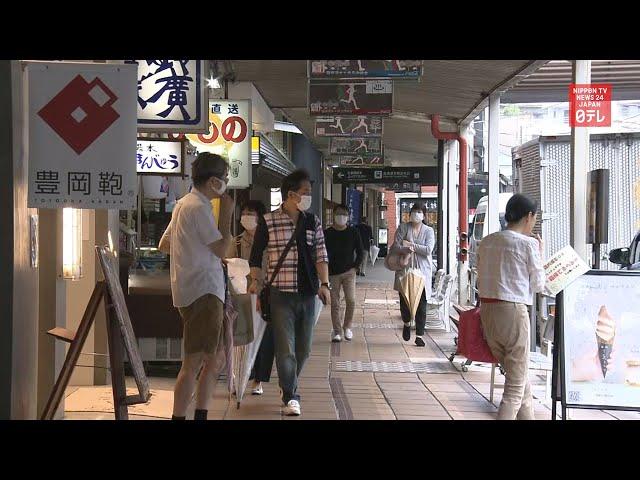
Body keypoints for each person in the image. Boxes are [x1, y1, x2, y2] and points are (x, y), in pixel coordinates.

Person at [248, 169, 331, 416]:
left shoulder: (312, 221)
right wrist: (255, 281)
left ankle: (288, 384)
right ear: (291, 194)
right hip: (279, 294)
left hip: (307, 293)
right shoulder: (268, 221)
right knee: (286, 348)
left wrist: (325, 285)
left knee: (303, 349)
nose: (308, 197)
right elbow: (256, 256)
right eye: (305, 192)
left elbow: (321, 255)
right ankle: (291, 396)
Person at [158, 152, 234, 421]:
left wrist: (190, 252)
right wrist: (226, 215)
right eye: (225, 178)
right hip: (204, 291)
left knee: (213, 359)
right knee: (194, 361)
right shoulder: (199, 208)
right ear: (213, 181)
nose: (226, 183)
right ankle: (180, 416)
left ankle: (199, 413)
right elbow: (222, 248)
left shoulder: (182, 204)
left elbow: (164, 244)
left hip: (191, 289)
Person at [476, 193, 545, 420]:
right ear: (529, 216)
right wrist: (540, 254)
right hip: (513, 312)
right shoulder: (528, 244)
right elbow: (539, 284)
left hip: (487, 312)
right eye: (535, 218)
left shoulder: (488, 241)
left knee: (520, 379)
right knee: (515, 386)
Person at [226, 200, 273, 396]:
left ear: (260, 217)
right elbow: (227, 266)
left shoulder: (271, 241)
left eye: (251, 213)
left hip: (266, 293)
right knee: (242, 336)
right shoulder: (235, 242)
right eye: (244, 212)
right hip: (243, 295)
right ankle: (239, 375)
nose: (246, 216)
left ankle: (258, 379)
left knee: (263, 339)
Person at [392, 202, 435, 347]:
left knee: (421, 303)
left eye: (419, 212)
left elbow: (428, 249)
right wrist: (408, 247)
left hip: (422, 273)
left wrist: (411, 245)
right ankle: (406, 322)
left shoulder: (429, 231)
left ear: (424, 215)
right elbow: (396, 246)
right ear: (410, 213)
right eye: (414, 211)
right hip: (405, 270)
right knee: (405, 301)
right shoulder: (404, 227)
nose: (416, 214)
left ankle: (419, 335)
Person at [324, 204, 363, 343]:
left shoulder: (353, 232)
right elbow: (322, 253)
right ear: (334, 215)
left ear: (348, 216)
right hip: (332, 273)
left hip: (349, 272)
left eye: (344, 214)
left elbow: (360, 251)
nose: (341, 217)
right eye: (339, 213)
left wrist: (355, 267)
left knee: (351, 300)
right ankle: (337, 331)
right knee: (334, 303)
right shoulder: (327, 233)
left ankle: (347, 327)